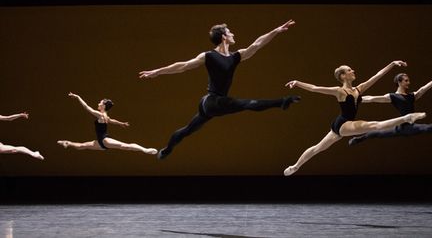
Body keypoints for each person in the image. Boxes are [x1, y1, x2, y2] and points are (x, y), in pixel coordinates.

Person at [139, 20, 301, 159]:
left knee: (188, 130)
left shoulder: (236, 56)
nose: (233, 34)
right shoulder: (208, 56)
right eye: (229, 32)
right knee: (245, 104)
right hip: (211, 102)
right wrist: (157, 72)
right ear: (224, 36)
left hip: (213, 103)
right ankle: (282, 101)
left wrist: (276, 31)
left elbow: (257, 44)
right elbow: (183, 66)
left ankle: (166, 151)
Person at [283, 61, 426, 176]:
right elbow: (315, 88)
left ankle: (295, 166)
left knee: (318, 148)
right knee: (374, 126)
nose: (353, 71)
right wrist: (297, 82)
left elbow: (377, 76)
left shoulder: (359, 89)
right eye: (350, 70)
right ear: (343, 76)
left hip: (341, 124)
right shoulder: (339, 91)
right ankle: (407, 118)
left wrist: (392, 64)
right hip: (344, 123)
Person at [57, 92, 157, 155]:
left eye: (100, 102)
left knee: (125, 146)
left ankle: (145, 150)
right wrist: (121, 123)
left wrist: (78, 97)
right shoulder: (105, 116)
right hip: (100, 142)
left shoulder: (100, 115)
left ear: (103, 106)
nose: (98, 103)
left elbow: (87, 107)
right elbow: (111, 120)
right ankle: (67, 142)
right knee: (82, 146)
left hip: (105, 140)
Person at [348, 73, 432, 145]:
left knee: (428, 128)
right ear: (399, 82)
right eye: (406, 81)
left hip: (409, 126)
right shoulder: (393, 96)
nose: (408, 83)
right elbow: (372, 98)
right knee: (375, 132)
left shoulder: (412, 96)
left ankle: (360, 138)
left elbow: (423, 89)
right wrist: (356, 99)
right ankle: (359, 139)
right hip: (401, 127)